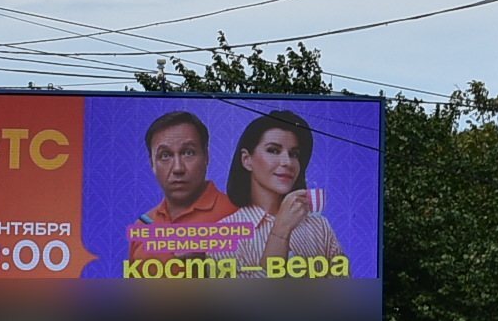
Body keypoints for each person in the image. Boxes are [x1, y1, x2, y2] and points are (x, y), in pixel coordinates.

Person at [224, 109, 345, 269]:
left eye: (294, 154)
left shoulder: (320, 227)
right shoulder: (225, 232)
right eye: (273, 150)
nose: (287, 162)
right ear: (247, 160)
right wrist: (281, 230)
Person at [126, 109, 241, 263]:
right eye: (165, 155)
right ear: (152, 164)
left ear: (206, 156)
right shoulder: (143, 225)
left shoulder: (237, 213)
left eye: (188, 152)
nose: (178, 168)